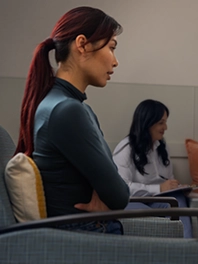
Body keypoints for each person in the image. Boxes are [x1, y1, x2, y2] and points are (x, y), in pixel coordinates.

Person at [15, 6, 129, 234]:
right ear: (82, 44)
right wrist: (107, 192)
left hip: (78, 232)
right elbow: (119, 195)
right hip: (82, 238)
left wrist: (108, 191)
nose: (115, 62)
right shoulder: (68, 111)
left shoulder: (57, 104)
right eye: (112, 48)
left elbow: (113, 188)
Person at [113, 99, 192, 238]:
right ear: (147, 123)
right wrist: (159, 189)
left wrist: (176, 186)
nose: (165, 127)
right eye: (161, 123)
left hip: (156, 200)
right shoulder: (126, 148)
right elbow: (121, 188)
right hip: (131, 201)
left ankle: (187, 246)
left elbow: (167, 178)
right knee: (150, 217)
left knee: (177, 198)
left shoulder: (161, 147)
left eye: (165, 122)